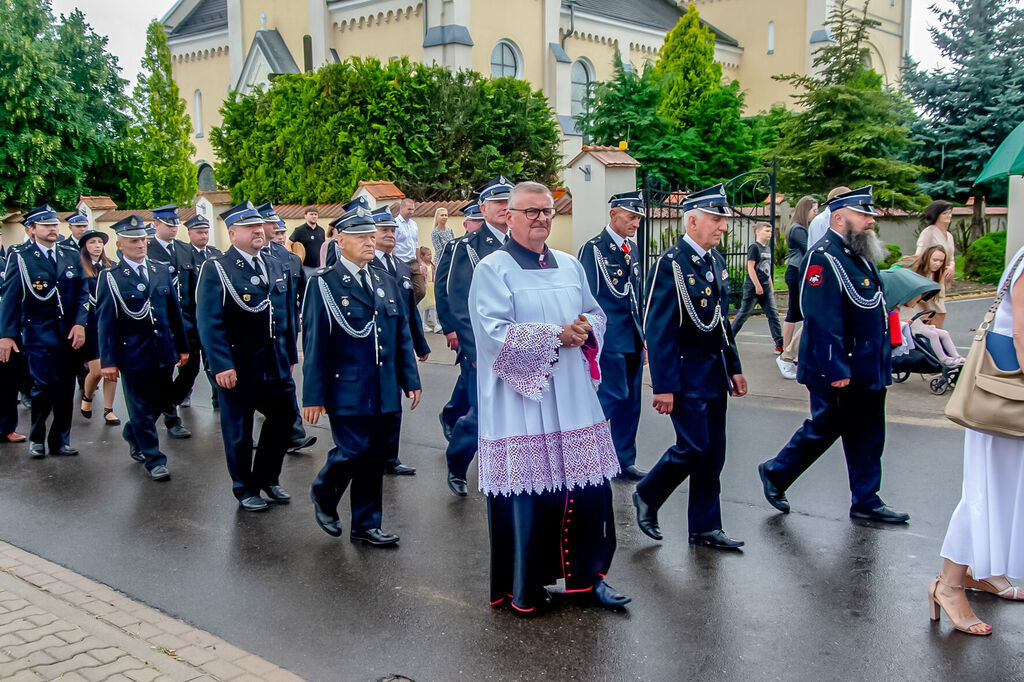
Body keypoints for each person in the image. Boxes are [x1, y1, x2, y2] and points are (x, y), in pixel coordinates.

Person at [470, 181, 629, 614]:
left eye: (547, 211)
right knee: (531, 493)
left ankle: (588, 580)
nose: (541, 218)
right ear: (509, 216)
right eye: (531, 211)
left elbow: (596, 313)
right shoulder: (493, 268)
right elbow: (492, 335)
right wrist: (554, 335)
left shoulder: (569, 264)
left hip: (573, 395)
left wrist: (585, 330)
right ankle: (526, 585)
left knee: (588, 489)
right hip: (524, 401)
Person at [758, 186, 909, 524]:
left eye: (870, 214)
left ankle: (867, 500)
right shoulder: (824, 257)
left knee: (869, 432)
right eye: (864, 214)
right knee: (825, 427)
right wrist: (836, 366)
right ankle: (776, 472)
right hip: (837, 365)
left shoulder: (859, 254)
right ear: (840, 218)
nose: (871, 221)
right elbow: (823, 319)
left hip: (867, 364)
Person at [633, 184, 748, 550]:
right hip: (684, 373)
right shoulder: (671, 263)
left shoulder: (714, 261)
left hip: (713, 372)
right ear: (693, 220)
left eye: (723, 220)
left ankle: (705, 527)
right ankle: (648, 494)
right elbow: (659, 327)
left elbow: (720, 322)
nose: (723, 227)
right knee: (694, 446)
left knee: (714, 452)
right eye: (716, 219)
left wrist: (734, 367)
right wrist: (663, 385)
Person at [302, 203, 421, 547]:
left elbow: (400, 337)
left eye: (372, 235)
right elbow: (314, 345)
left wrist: (410, 380)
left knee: (372, 457)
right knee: (353, 450)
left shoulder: (386, 280)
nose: (370, 242)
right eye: (361, 236)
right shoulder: (324, 286)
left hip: (383, 387)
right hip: (347, 387)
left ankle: (366, 525)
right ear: (341, 241)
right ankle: (324, 492)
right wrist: (313, 396)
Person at [930, 243, 1024, 636]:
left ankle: (975, 572)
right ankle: (949, 586)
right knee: (987, 494)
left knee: (1000, 493)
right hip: (1006, 398)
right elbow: (1022, 332)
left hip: (1007, 396)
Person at [196, 201, 300, 511]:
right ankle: (244, 487)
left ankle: (268, 477)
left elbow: (286, 316)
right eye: (250, 227)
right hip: (238, 364)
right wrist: (220, 364)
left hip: (274, 361)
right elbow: (209, 321)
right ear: (231, 233)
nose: (259, 230)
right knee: (239, 430)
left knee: (284, 420)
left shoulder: (274, 263)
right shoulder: (217, 268)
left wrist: (290, 354)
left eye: (260, 226)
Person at [435, 176, 514, 496]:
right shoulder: (465, 246)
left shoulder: (522, 244)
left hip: (518, 344)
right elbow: (456, 298)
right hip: (482, 346)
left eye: (509, 202)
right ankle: (457, 463)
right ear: (483, 208)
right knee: (480, 414)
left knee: (513, 410)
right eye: (497, 202)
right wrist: (473, 348)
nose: (504, 208)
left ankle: (505, 467)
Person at [96, 216, 189, 481]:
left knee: (161, 400)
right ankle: (154, 458)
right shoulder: (111, 277)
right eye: (134, 241)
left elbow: (173, 312)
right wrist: (108, 361)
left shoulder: (160, 269)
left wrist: (182, 346)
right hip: (132, 353)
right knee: (139, 405)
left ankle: (132, 432)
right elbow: (105, 323)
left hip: (163, 349)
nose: (141, 245)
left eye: (143, 240)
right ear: (119, 244)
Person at [0, 205, 89, 458]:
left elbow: (83, 293)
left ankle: (60, 440)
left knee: (65, 388)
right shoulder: (21, 256)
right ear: (32, 229)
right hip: (38, 333)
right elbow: (10, 297)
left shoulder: (71, 254)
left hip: (69, 334)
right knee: (42, 387)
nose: (52, 229)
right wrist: (5, 334)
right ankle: (37, 438)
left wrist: (80, 323)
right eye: (46, 225)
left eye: (54, 224)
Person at [578, 190, 646, 481]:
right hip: (610, 337)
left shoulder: (632, 249)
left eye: (639, 218)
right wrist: (591, 339)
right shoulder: (594, 249)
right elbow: (586, 297)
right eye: (631, 216)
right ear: (613, 213)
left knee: (631, 402)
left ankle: (623, 460)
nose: (636, 223)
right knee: (612, 396)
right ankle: (579, 451)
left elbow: (637, 298)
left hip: (631, 336)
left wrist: (644, 338)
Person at [366, 205, 428, 477]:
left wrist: (420, 344)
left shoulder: (401, 267)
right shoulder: (367, 264)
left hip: (397, 344)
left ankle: (390, 458)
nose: (390, 235)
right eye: (384, 230)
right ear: (371, 234)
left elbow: (408, 310)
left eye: (393, 230)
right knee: (373, 406)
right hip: (374, 345)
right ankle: (369, 455)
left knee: (394, 407)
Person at [257, 203, 317, 455]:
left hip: (284, 335)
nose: (278, 232)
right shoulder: (248, 257)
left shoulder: (289, 259)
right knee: (257, 392)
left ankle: (294, 434)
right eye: (273, 226)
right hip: (256, 340)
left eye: (281, 228)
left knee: (286, 386)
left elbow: (301, 294)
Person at [146, 204, 193, 440]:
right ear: (156, 224)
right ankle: (171, 418)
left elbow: (193, 285)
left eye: (176, 224)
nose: (174, 228)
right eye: (168, 224)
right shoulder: (147, 249)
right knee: (164, 375)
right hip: (162, 321)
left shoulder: (185, 249)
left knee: (190, 369)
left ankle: (165, 402)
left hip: (187, 321)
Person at [176, 214, 223, 409]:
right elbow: (185, 291)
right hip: (193, 318)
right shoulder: (185, 254)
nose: (204, 236)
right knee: (191, 366)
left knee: (214, 362)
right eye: (199, 232)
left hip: (212, 317)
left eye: (206, 232)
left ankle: (219, 399)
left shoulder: (215, 253)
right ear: (189, 233)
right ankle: (182, 394)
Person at [78, 229, 120, 425]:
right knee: (96, 371)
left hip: (109, 324)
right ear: (85, 247)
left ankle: (108, 409)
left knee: (112, 369)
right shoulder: (80, 268)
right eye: (92, 242)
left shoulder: (110, 267)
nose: (97, 246)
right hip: (91, 325)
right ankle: (87, 397)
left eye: (99, 242)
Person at [899, 246, 964, 366]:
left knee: (944, 333)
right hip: (908, 315)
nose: (938, 264)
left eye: (941, 261)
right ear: (927, 258)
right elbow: (911, 302)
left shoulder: (934, 274)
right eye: (935, 260)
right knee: (932, 334)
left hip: (914, 313)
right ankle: (943, 359)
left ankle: (957, 356)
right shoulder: (911, 274)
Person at [778, 196, 818, 379]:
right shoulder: (798, 229)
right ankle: (787, 351)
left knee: (794, 312)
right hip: (796, 273)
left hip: (796, 272)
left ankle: (787, 350)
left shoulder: (797, 228)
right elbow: (809, 249)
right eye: (814, 210)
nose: (815, 213)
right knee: (794, 312)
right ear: (805, 210)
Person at [730, 222, 784, 352]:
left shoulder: (768, 249)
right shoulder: (754, 247)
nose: (769, 234)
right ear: (758, 232)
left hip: (765, 288)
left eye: (770, 231)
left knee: (773, 315)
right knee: (743, 314)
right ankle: (727, 338)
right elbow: (750, 268)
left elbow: (767, 270)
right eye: (766, 231)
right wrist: (757, 285)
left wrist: (770, 286)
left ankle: (779, 344)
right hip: (752, 288)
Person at [915, 200, 956, 328]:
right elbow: (919, 255)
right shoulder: (928, 232)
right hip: (928, 279)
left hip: (941, 279)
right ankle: (934, 341)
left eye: (950, 213)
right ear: (936, 214)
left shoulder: (949, 236)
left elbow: (951, 256)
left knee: (938, 313)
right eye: (945, 213)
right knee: (935, 313)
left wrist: (952, 266)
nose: (949, 216)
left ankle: (936, 340)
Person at [0, 242, 26, 443]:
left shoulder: (6, 262)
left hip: (5, 329)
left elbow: (11, 297)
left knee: (7, 380)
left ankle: (6, 428)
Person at [393, 197, 426, 304]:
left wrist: (420, 263)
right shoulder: (395, 224)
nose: (411, 212)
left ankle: (408, 307)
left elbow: (416, 245)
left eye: (413, 209)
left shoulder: (414, 224)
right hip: (401, 261)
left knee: (421, 290)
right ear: (401, 208)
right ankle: (405, 310)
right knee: (404, 289)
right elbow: (392, 245)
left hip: (413, 262)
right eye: (409, 209)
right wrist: (394, 263)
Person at [418, 246, 442, 333]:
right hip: (426, 287)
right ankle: (435, 325)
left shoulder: (432, 265)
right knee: (430, 307)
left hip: (432, 286)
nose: (430, 256)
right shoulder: (422, 266)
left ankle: (424, 324)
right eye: (428, 255)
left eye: (430, 254)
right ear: (422, 256)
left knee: (429, 308)